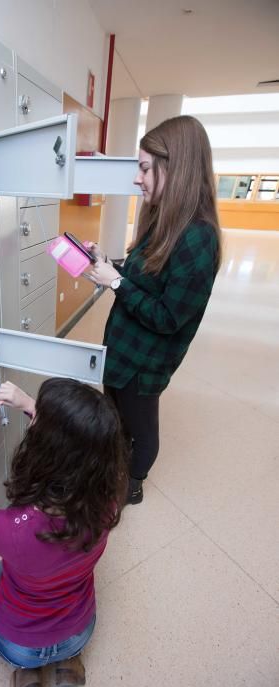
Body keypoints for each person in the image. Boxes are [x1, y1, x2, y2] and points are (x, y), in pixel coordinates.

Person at [0, 378, 128, 687]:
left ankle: (28, 674)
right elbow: (76, 445)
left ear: (43, 451)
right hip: (79, 632)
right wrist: (28, 404)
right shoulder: (108, 502)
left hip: (19, 646)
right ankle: (68, 660)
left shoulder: (14, 530)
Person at [86, 115, 222, 505]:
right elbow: (145, 276)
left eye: (144, 167)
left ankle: (133, 483)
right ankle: (114, 467)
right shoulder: (164, 220)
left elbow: (167, 316)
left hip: (144, 364)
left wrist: (115, 282)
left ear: (173, 167)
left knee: (141, 429)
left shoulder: (198, 238)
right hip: (123, 349)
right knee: (114, 419)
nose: (136, 178)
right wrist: (108, 264)